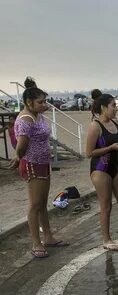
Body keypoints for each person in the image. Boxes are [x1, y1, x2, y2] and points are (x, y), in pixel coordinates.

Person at [10, 86, 68, 258]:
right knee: (35, 204)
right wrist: (18, 157)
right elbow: (21, 145)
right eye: (40, 102)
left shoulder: (38, 116)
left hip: (43, 162)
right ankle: (36, 242)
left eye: (45, 101)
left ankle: (48, 236)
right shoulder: (25, 120)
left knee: (42, 202)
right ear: (29, 102)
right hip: (32, 164)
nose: (44, 105)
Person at [86, 94, 118, 250]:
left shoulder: (116, 123)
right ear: (103, 108)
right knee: (106, 205)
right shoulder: (95, 126)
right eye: (113, 106)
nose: (116, 109)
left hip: (116, 167)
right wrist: (110, 148)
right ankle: (106, 239)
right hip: (100, 169)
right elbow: (89, 152)